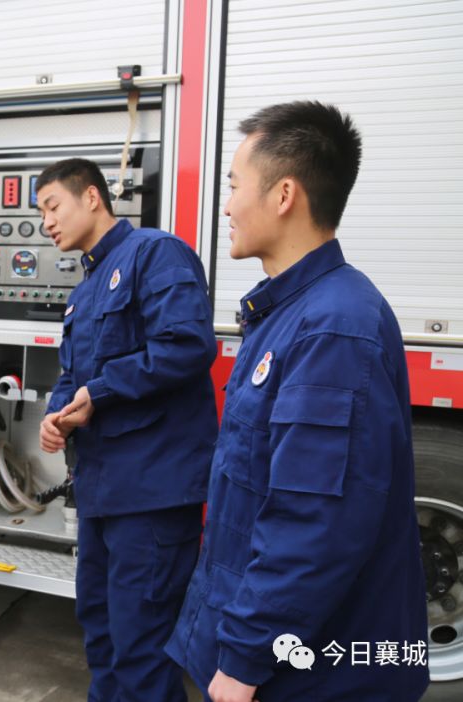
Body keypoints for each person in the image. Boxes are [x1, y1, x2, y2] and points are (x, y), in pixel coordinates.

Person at [165, 101, 429, 702]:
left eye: (234, 187)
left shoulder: (334, 327)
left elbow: (315, 523)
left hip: (308, 679)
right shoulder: (295, 313)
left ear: (283, 195)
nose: (226, 206)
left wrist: (245, 661)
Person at [35, 158, 218, 701]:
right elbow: (75, 375)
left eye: (52, 206)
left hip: (152, 496)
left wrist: (101, 393)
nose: (46, 222)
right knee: (102, 635)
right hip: (103, 494)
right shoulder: (84, 291)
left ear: (92, 197)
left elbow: (186, 344)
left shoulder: (154, 254)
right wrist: (57, 412)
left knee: (142, 648)